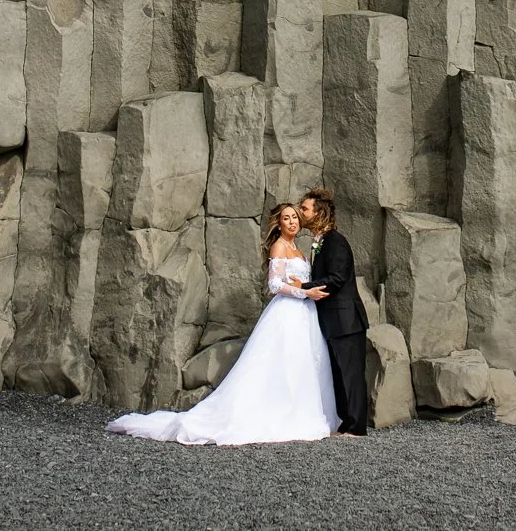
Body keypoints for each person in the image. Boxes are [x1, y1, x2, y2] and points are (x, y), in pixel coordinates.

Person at [105, 202, 340, 445]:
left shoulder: (298, 248)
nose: (292, 221)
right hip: (287, 313)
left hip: (304, 315)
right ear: (278, 224)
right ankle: (275, 414)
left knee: (301, 363)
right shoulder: (279, 246)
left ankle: (298, 411)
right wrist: (305, 294)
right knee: (282, 362)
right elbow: (273, 285)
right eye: (286, 218)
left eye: (294, 217)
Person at [299, 187, 370, 437]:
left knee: (351, 374)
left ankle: (357, 426)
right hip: (332, 320)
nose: (300, 212)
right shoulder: (319, 242)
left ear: (319, 213)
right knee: (339, 374)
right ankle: (346, 422)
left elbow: (338, 278)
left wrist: (302, 287)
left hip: (346, 319)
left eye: (305, 209)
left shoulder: (335, 241)